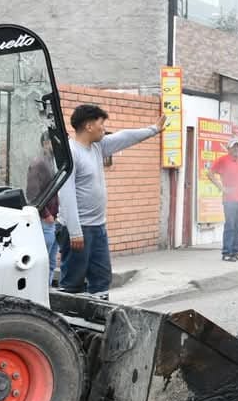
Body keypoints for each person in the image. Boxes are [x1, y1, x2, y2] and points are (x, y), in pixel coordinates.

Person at [58, 104, 166, 298]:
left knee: (101, 278)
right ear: (89, 126)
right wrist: (74, 232)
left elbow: (124, 137)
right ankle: (67, 324)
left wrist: (153, 130)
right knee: (73, 282)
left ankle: (98, 321)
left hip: (98, 227)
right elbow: (66, 195)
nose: (104, 129)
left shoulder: (98, 147)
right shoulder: (71, 153)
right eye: (101, 124)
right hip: (78, 229)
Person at [207, 138, 238, 262]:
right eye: (234, 147)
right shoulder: (223, 160)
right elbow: (210, 173)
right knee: (230, 225)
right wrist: (222, 188)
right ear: (229, 149)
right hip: (229, 199)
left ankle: (235, 252)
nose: (237, 149)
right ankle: (226, 253)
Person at [26, 131, 60, 285]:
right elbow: (32, 195)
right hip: (45, 222)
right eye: (55, 142)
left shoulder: (53, 161)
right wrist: (46, 215)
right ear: (46, 143)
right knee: (42, 264)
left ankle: (47, 295)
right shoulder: (38, 163)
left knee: (51, 263)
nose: (58, 145)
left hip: (54, 221)